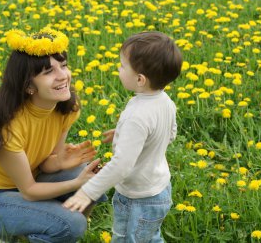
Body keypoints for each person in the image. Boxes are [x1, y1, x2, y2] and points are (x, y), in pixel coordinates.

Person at [0, 27, 102, 243]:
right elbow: (29, 191)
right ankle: (10, 230)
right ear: (29, 86)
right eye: (48, 72)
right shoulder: (7, 126)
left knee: (91, 181)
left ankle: (54, 230)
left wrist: (59, 162)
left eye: (63, 66)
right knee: (73, 222)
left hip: (32, 178)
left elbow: (45, 164)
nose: (63, 76)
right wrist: (75, 183)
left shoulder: (65, 108)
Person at [63, 31, 183, 242]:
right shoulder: (165, 102)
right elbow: (169, 134)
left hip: (139, 198)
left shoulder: (136, 116)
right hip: (159, 188)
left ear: (140, 79)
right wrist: (123, 134)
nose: (119, 69)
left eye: (122, 65)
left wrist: (87, 192)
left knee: (128, 239)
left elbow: (121, 166)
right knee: (149, 237)